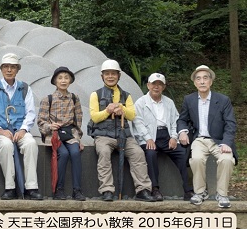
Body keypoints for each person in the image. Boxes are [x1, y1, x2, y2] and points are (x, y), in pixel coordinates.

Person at [88, 59, 154, 202]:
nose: (110, 76)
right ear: (102, 76)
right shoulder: (96, 95)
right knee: (104, 152)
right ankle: (107, 190)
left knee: (138, 153)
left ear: (119, 76)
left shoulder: (126, 95)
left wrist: (122, 109)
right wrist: (108, 110)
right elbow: (94, 117)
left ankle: (143, 190)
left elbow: (132, 115)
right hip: (103, 135)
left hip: (124, 135)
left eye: (113, 73)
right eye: (107, 74)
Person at [0, 53, 43, 200]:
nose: (9, 70)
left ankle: (31, 187)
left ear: (17, 69)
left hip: (19, 130)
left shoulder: (24, 89)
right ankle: (9, 188)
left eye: (13, 67)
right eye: (6, 67)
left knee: (30, 143)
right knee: (6, 145)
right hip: (0, 131)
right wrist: (0, 130)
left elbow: (30, 113)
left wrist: (23, 129)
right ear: (1, 69)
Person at [177, 65, 237, 208]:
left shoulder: (223, 100)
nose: (202, 81)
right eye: (198, 79)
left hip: (219, 140)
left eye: (205, 78)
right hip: (199, 139)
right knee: (196, 159)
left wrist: (227, 142)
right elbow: (182, 119)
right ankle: (200, 192)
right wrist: (182, 131)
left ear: (211, 81)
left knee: (227, 160)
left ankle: (222, 194)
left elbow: (231, 123)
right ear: (194, 83)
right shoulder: (189, 99)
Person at [132, 73, 194, 201]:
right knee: (150, 153)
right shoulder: (141, 102)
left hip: (165, 136)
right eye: (154, 84)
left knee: (182, 154)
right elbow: (137, 122)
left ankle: (188, 191)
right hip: (149, 136)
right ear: (148, 85)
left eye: (160, 84)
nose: (156, 87)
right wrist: (148, 138)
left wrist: (173, 137)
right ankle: (155, 189)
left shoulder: (169, 102)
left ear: (163, 87)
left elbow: (175, 121)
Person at [37, 66, 86, 201]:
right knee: (63, 154)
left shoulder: (75, 98)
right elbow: (41, 121)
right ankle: (59, 189)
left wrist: (78, 138)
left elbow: (78, 120)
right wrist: (50, 126)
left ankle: (77, 190)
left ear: (70, 80)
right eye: (60, 78)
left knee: (75, 152)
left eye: (66, 78)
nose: (63, 81)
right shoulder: (48, 99)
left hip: (70, 132)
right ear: (55, 81)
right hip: (54, 133)